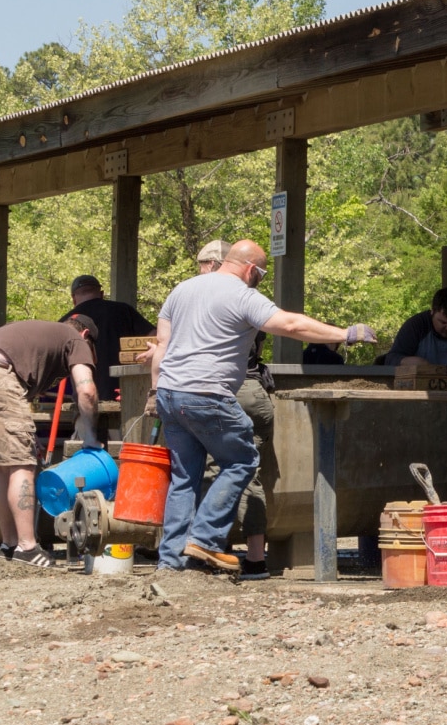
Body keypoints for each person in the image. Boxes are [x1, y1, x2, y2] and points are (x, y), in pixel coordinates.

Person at [147, 239, 376, 573]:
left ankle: (171, 561)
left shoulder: (181, 290)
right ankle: (204, 540)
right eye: (262, 274)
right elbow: (291, 325)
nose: (261, 280)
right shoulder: (242, 295)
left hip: (170, 392)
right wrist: (344, 333)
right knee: (241, 460)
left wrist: (154, 391)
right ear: (251, 269)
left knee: (184, 478)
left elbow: (162, 346)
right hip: (208, 393)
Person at [0, 316, 100, 567]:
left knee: (3, 466)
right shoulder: (75, 339)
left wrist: (29, 436)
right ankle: (28, 547)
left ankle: (10, 544)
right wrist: (90, 437)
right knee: (22, 466)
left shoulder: (39, 333)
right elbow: (86, 390)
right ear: (86, 334)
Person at [189, 241, 278, 580]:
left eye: (202, 265)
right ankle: (254, 558)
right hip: (252, 391)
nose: (199, 273)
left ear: (217, 264)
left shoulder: (218, 296)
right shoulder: (248, 299)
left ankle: (213, 550)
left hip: (232, 391)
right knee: (246, 470)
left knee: (217, 472)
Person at [57, 274, 156, 399]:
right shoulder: (124, 310)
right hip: (125, 392)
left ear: (73, 298)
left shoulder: (65, 322)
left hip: (85, 396)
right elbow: (154, 337)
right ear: (101, 293)